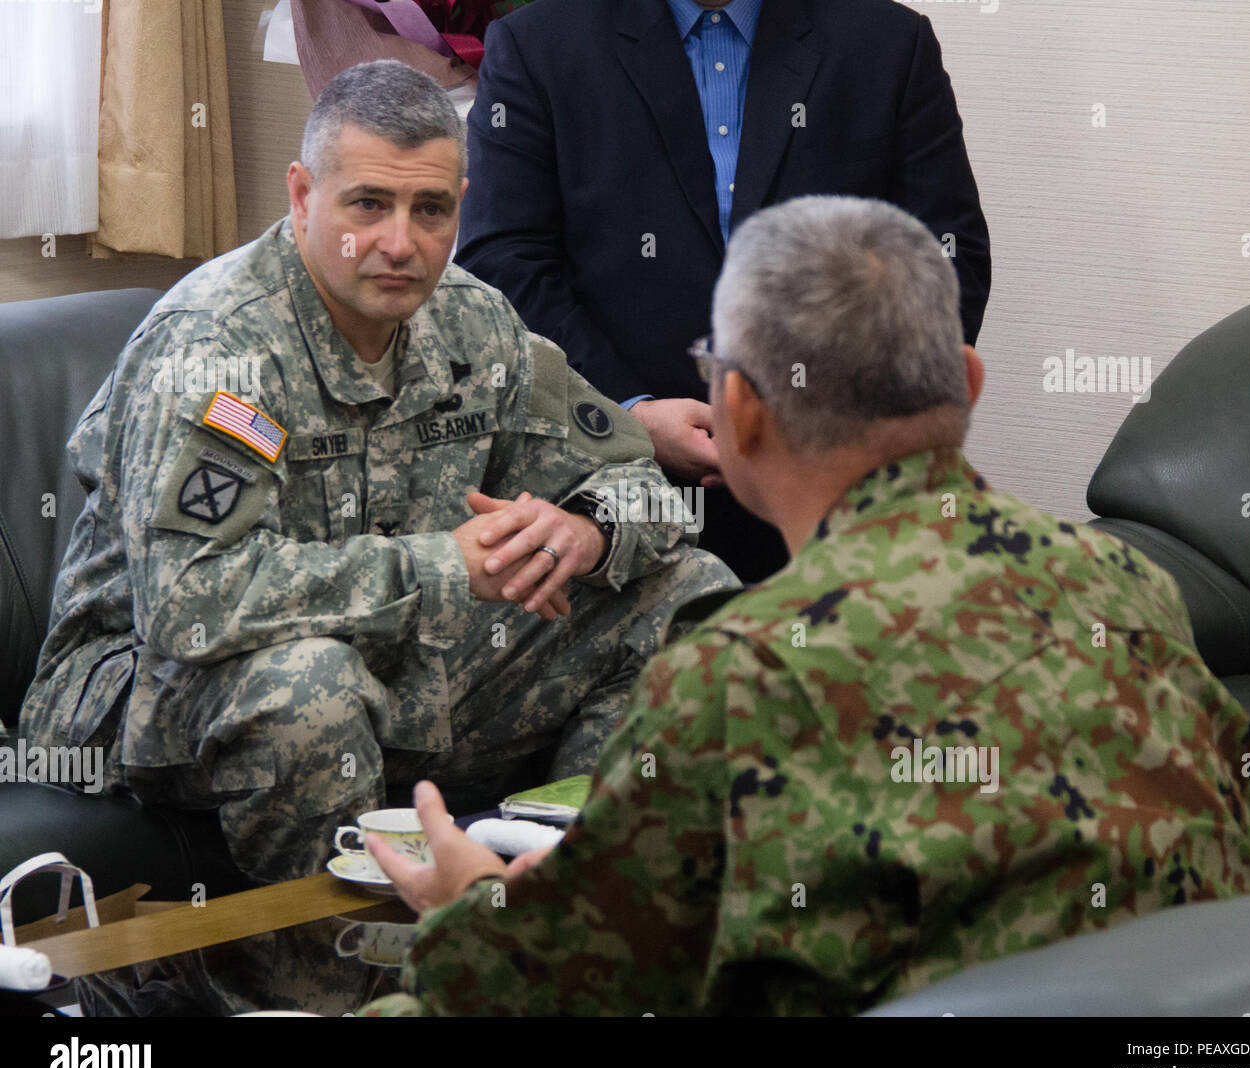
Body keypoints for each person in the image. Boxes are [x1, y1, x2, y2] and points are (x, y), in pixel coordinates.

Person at [360, 196, 1250, 1017]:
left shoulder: (740, 666)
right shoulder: (1127, 585)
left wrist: (475, 903)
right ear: (966, 382)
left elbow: (556, 977)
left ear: (739, 413)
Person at [17, 60, 739, 886]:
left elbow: (641, 480)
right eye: (368, 204)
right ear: (301, 196)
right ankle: (323, 996)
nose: (401, 242)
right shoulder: (219, 349)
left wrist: (585, 527)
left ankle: (572, 913)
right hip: (138, 683)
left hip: (387, 662)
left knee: (684, 591)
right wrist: (444, 567)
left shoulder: (475, 322)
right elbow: (190, 603)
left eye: (430, 209)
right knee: (312, 684)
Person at [455, 0, 992, 583]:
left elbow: (946, 256)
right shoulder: (539, 44)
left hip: (844, 495)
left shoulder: (888, 42)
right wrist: (626, 416)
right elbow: (504, 262)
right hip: (609, 501)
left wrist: (853, 417)